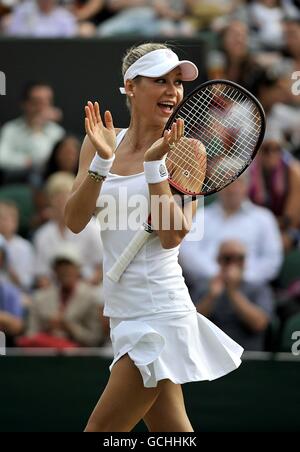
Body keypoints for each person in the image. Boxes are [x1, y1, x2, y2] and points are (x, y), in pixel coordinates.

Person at [64, 43, 243, 432]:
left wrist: (153, 169)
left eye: (177, 82)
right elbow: (75, 220)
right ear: (131, 86)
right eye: (160, 81)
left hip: (158, 314)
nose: (173, 92)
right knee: (173, 433)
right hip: (123, 314)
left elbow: (171, 236)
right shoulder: (99, 141)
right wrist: (101, 161)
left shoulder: (187, 149)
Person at [196, 240, 274, 351]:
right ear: (218, 260)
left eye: (239, 258)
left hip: (248, 356)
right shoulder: (204, 287)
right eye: (228, 258)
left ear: (245, 262)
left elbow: (259, 324)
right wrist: (211, 297)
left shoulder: (259, 289)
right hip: (211, 355)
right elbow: (191, 324)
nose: (233, 264)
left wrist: (232, 291)